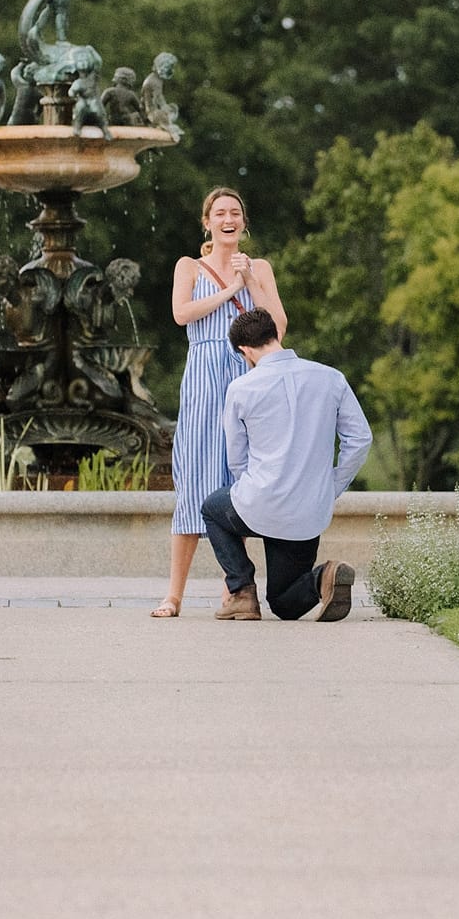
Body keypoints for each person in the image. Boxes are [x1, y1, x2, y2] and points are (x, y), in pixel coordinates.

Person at [153, 187, 287, 618]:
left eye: (235, 213)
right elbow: (180, 313)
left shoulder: (260, 267)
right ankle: (174, 595)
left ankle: (237, 591)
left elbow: (278, 327)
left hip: (249, 374)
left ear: (244, 223)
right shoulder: (189, 266)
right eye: (219, 213)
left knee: (240, 478)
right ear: (207, 222)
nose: (228, 219)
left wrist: (248, 282)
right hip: (205, 377)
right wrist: (228, 287)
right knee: (193, 478)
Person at [200, 308, 371, 621]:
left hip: (259, 504)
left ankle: (242, 592)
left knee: (212, 508)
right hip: (308, 511)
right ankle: (324, 576)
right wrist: (331, 487)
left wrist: (254, 490)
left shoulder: (241, 388)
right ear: (275, 335)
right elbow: (360, 440)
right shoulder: (331, 378)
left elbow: (236, 458)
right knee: (284, 604)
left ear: (245, 350)